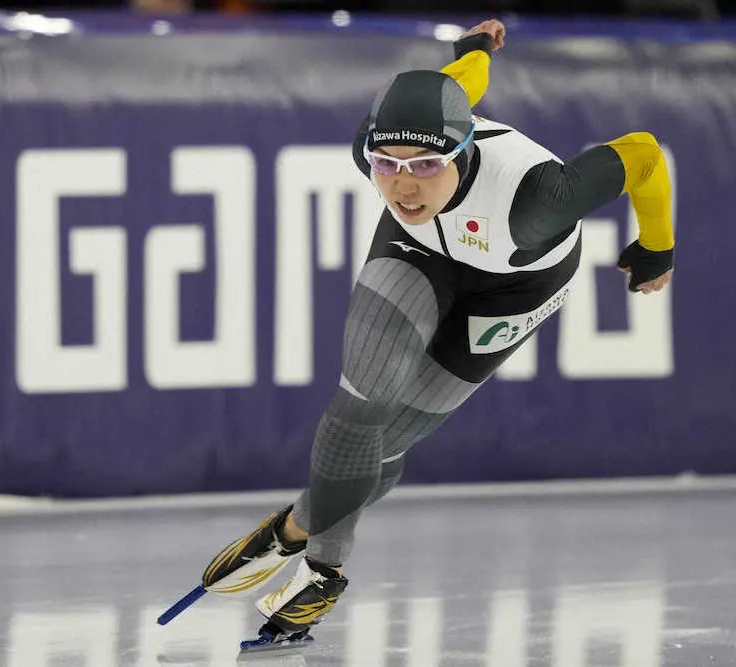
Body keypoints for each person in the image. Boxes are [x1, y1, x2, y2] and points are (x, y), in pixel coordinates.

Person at [197, 18, 675, 645]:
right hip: (418, 250)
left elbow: (641, 153)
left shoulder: (537, 201)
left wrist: (657, 248)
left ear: (463, 147)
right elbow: (455, 86)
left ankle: (295, 528)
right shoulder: (385, 160)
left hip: (515, 282)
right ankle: (322, 570)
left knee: (389, 444)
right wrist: (474, 51)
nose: (402, 183)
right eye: (385, 163)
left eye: (426, 163)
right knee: (360, 406)